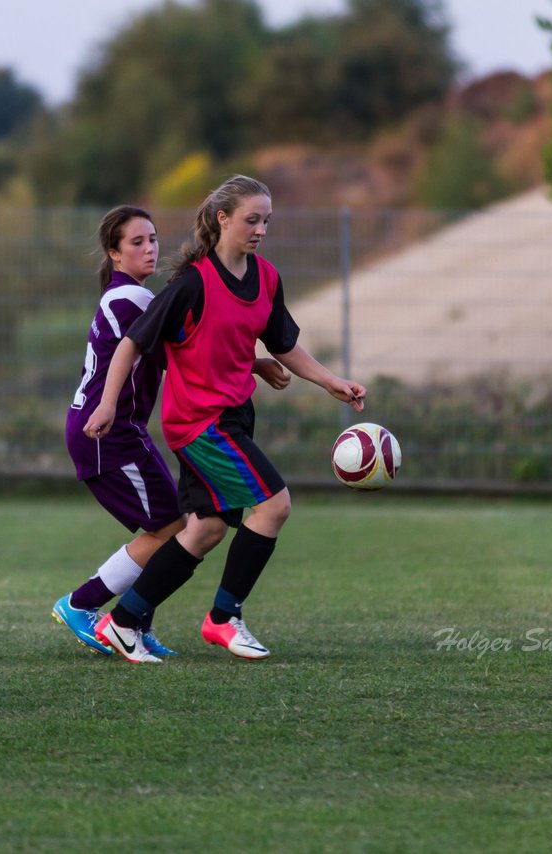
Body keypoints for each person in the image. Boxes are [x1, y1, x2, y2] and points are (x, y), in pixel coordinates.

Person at [84, 175, 366, 664]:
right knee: (274, 506)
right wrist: (107, 404)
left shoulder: (267, 278)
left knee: (205, 529)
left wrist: (328, 380)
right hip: (199, 424)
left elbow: (282, 343)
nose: (260, 230)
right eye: (251, 220)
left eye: (266, 222)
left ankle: (123, 621)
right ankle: (222, 618)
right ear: (222, 219)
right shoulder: (192, 283)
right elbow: (133, 343)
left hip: (235, 417)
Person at [54, 204, 290, 658]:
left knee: (177, 528)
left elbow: (186, 352)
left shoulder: (132, 296)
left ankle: (131, 621)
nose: (150, 249)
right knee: (168, 529)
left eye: (153, 239)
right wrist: (255, 362)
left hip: (123, 432)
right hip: (107, 435)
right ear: (114, 254)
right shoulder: (133, 299)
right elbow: (191, 351)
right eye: (136, 242)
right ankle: (85, 605)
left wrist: (253, 362)